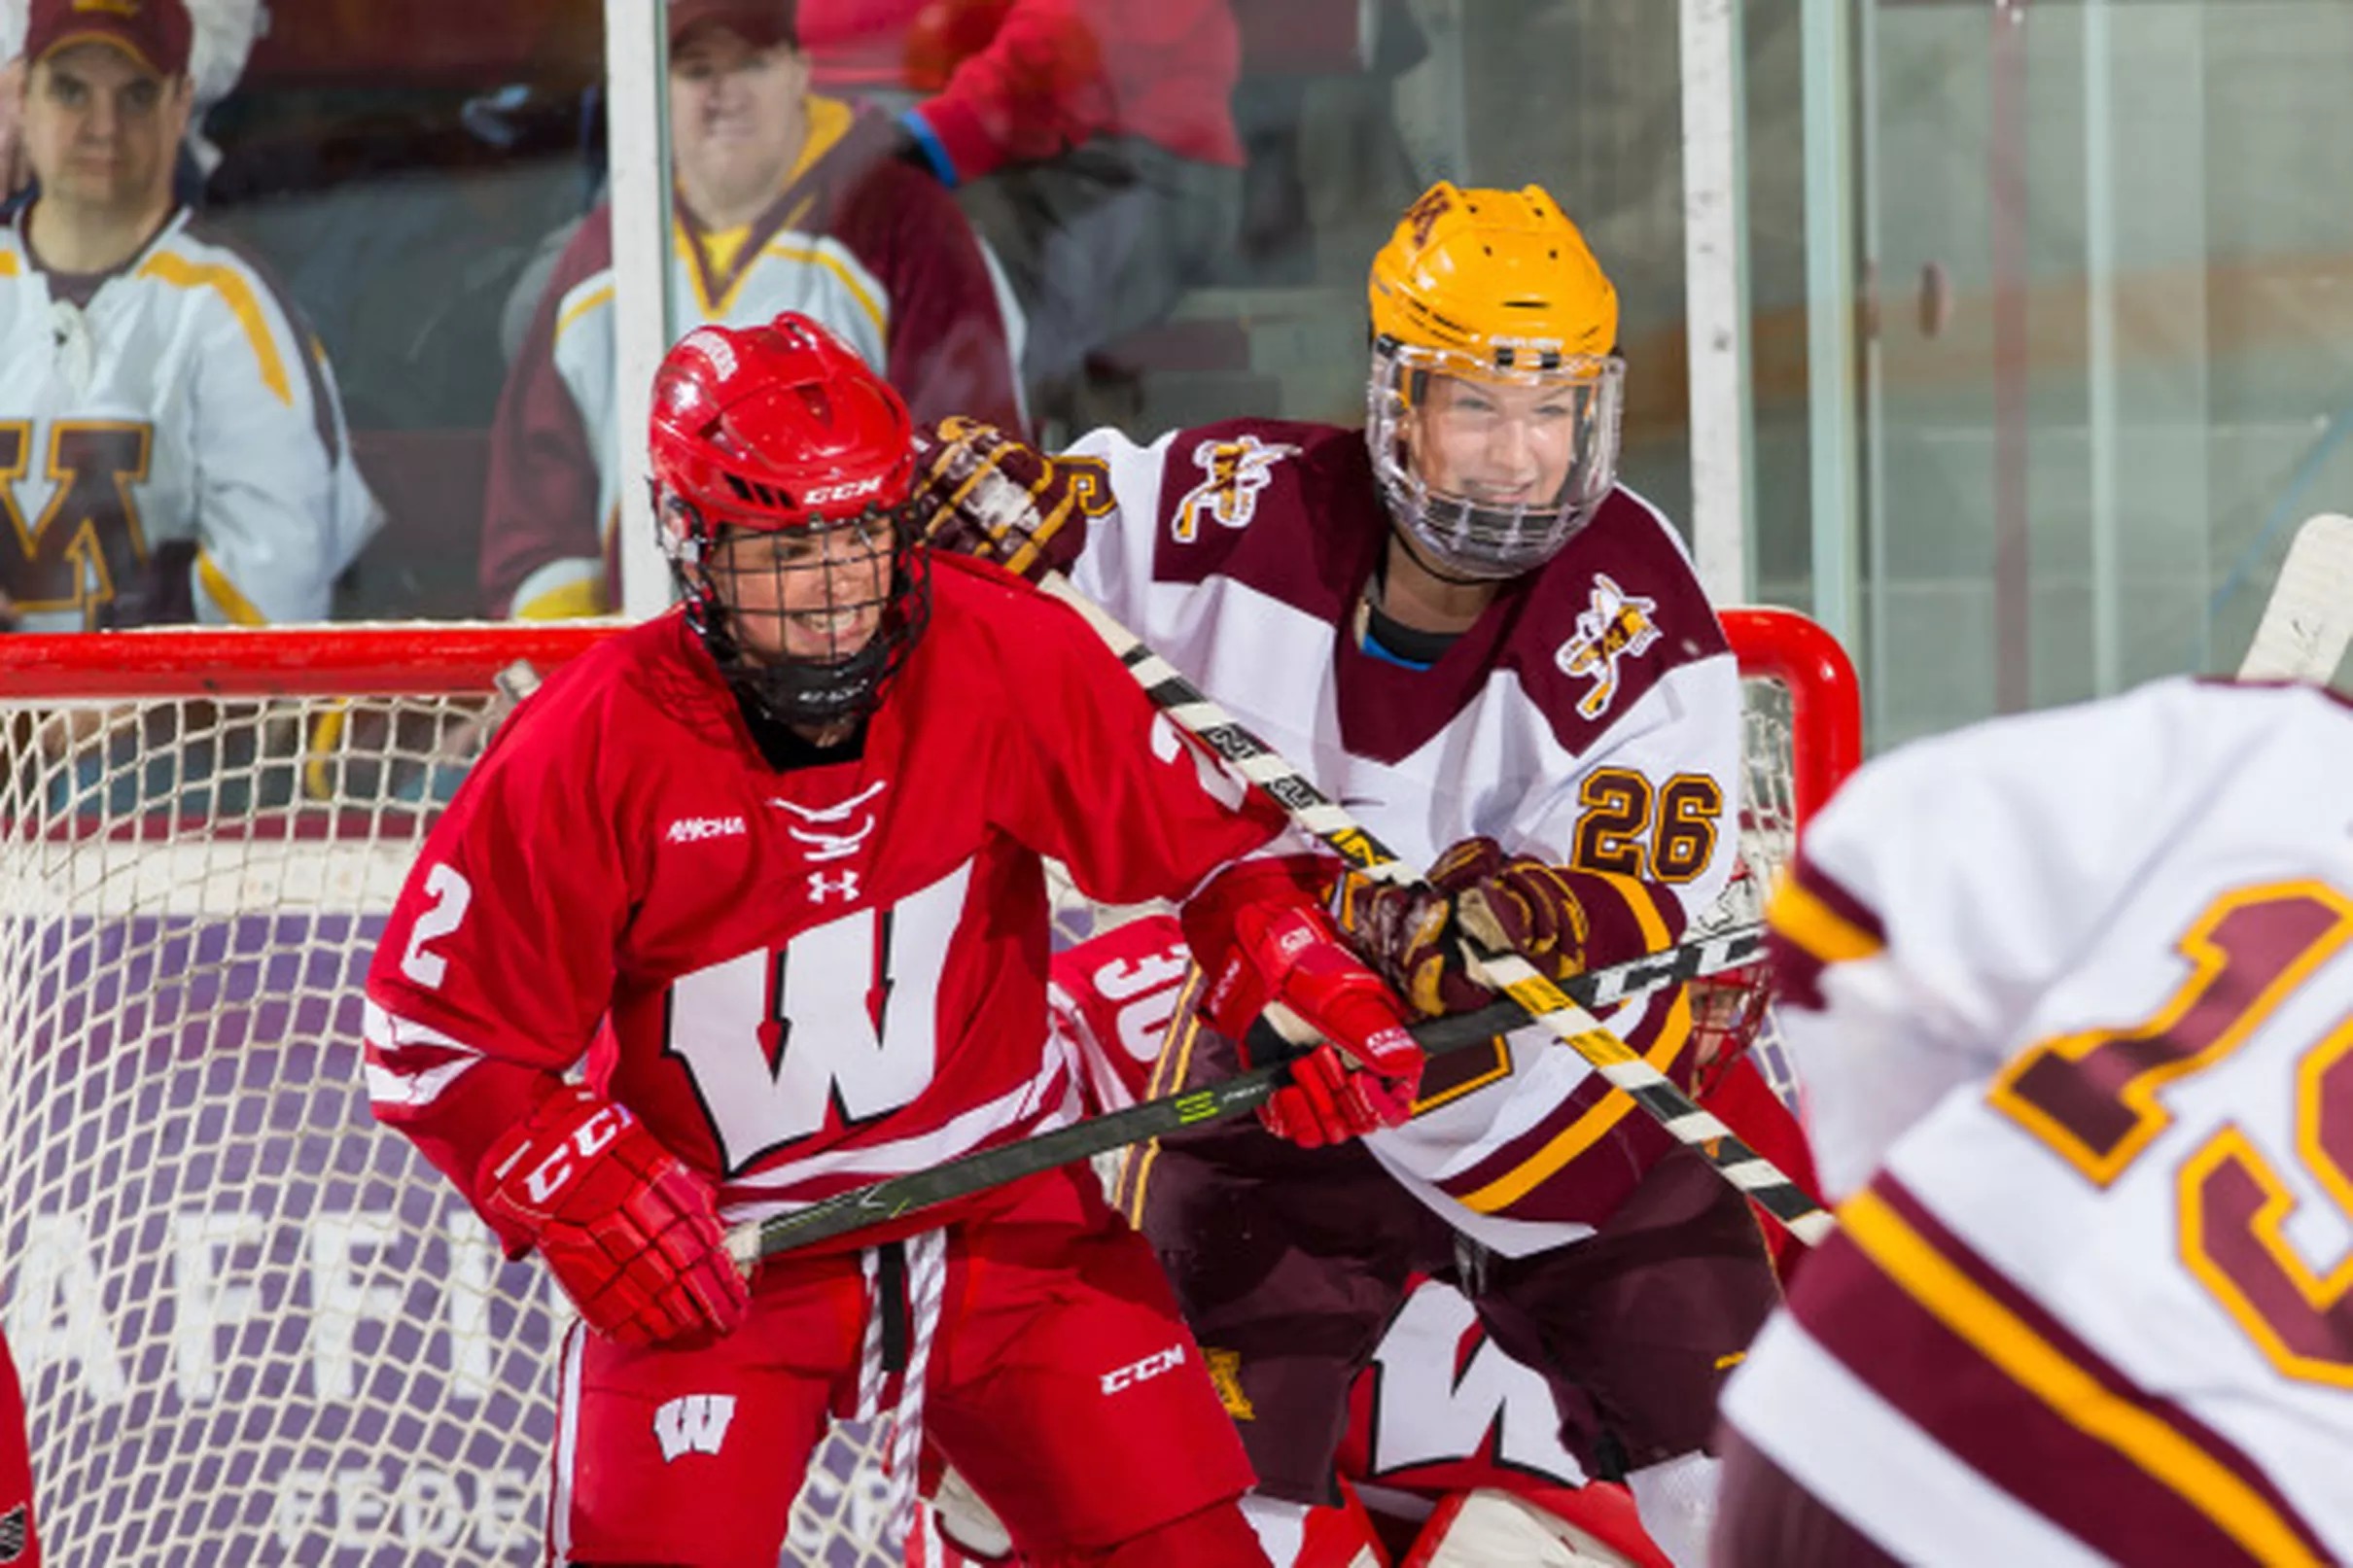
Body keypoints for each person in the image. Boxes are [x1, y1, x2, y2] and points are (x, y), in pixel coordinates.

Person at [367, 311, 1430, 1567]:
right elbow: (428, 1035)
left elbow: (1216, 848)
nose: (834, 594)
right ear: (691, 544)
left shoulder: (996, 648)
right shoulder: (591, 744)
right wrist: (574, 1174)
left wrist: (1297, 979)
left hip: (1008, 1217)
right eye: (784, 549)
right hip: (728, 1263)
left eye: (863, 534)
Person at [914, 181, 1775, 1567]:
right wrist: (986, 501)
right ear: (1395, 399)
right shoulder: (1243, 503)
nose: (1516, 458)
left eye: (1551, 410)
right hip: (1290, 1079)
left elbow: (1617, 896)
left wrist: (1494, 923)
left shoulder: (1633, 603)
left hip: (1560, 1112)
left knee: (1747, 1492)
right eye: (1478, 405)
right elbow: (1061, 524)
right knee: (1198, 1505)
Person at [1714, 677, 2353, 1567]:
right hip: (2208, 1520)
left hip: (1850, 1402)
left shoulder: (2280, 747)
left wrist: (1900, 1199)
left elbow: (1849, 894)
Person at [480, 0, 1026, 621]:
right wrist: (578, 660)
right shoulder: (602, 254)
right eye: (696, 70)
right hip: (655, 666)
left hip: (854, 658)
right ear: (649, 86)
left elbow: (967, 479)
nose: (725, 95)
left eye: (752, 65)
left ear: (798, 71)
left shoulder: (904, 221)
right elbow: (536, 523)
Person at [0, 0, 375, 632]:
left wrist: (120, 704)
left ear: (181, 104)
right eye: (69, 91)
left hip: (167, 727)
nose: (103, 126)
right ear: (22, 95)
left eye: (137, 96)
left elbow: (273, 596)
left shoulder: (231, 309)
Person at [799, 0, 1245, 398]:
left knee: (945, 265)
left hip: (1122, 164)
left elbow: (1073, 43)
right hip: (983, 131)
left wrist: (930, 140)